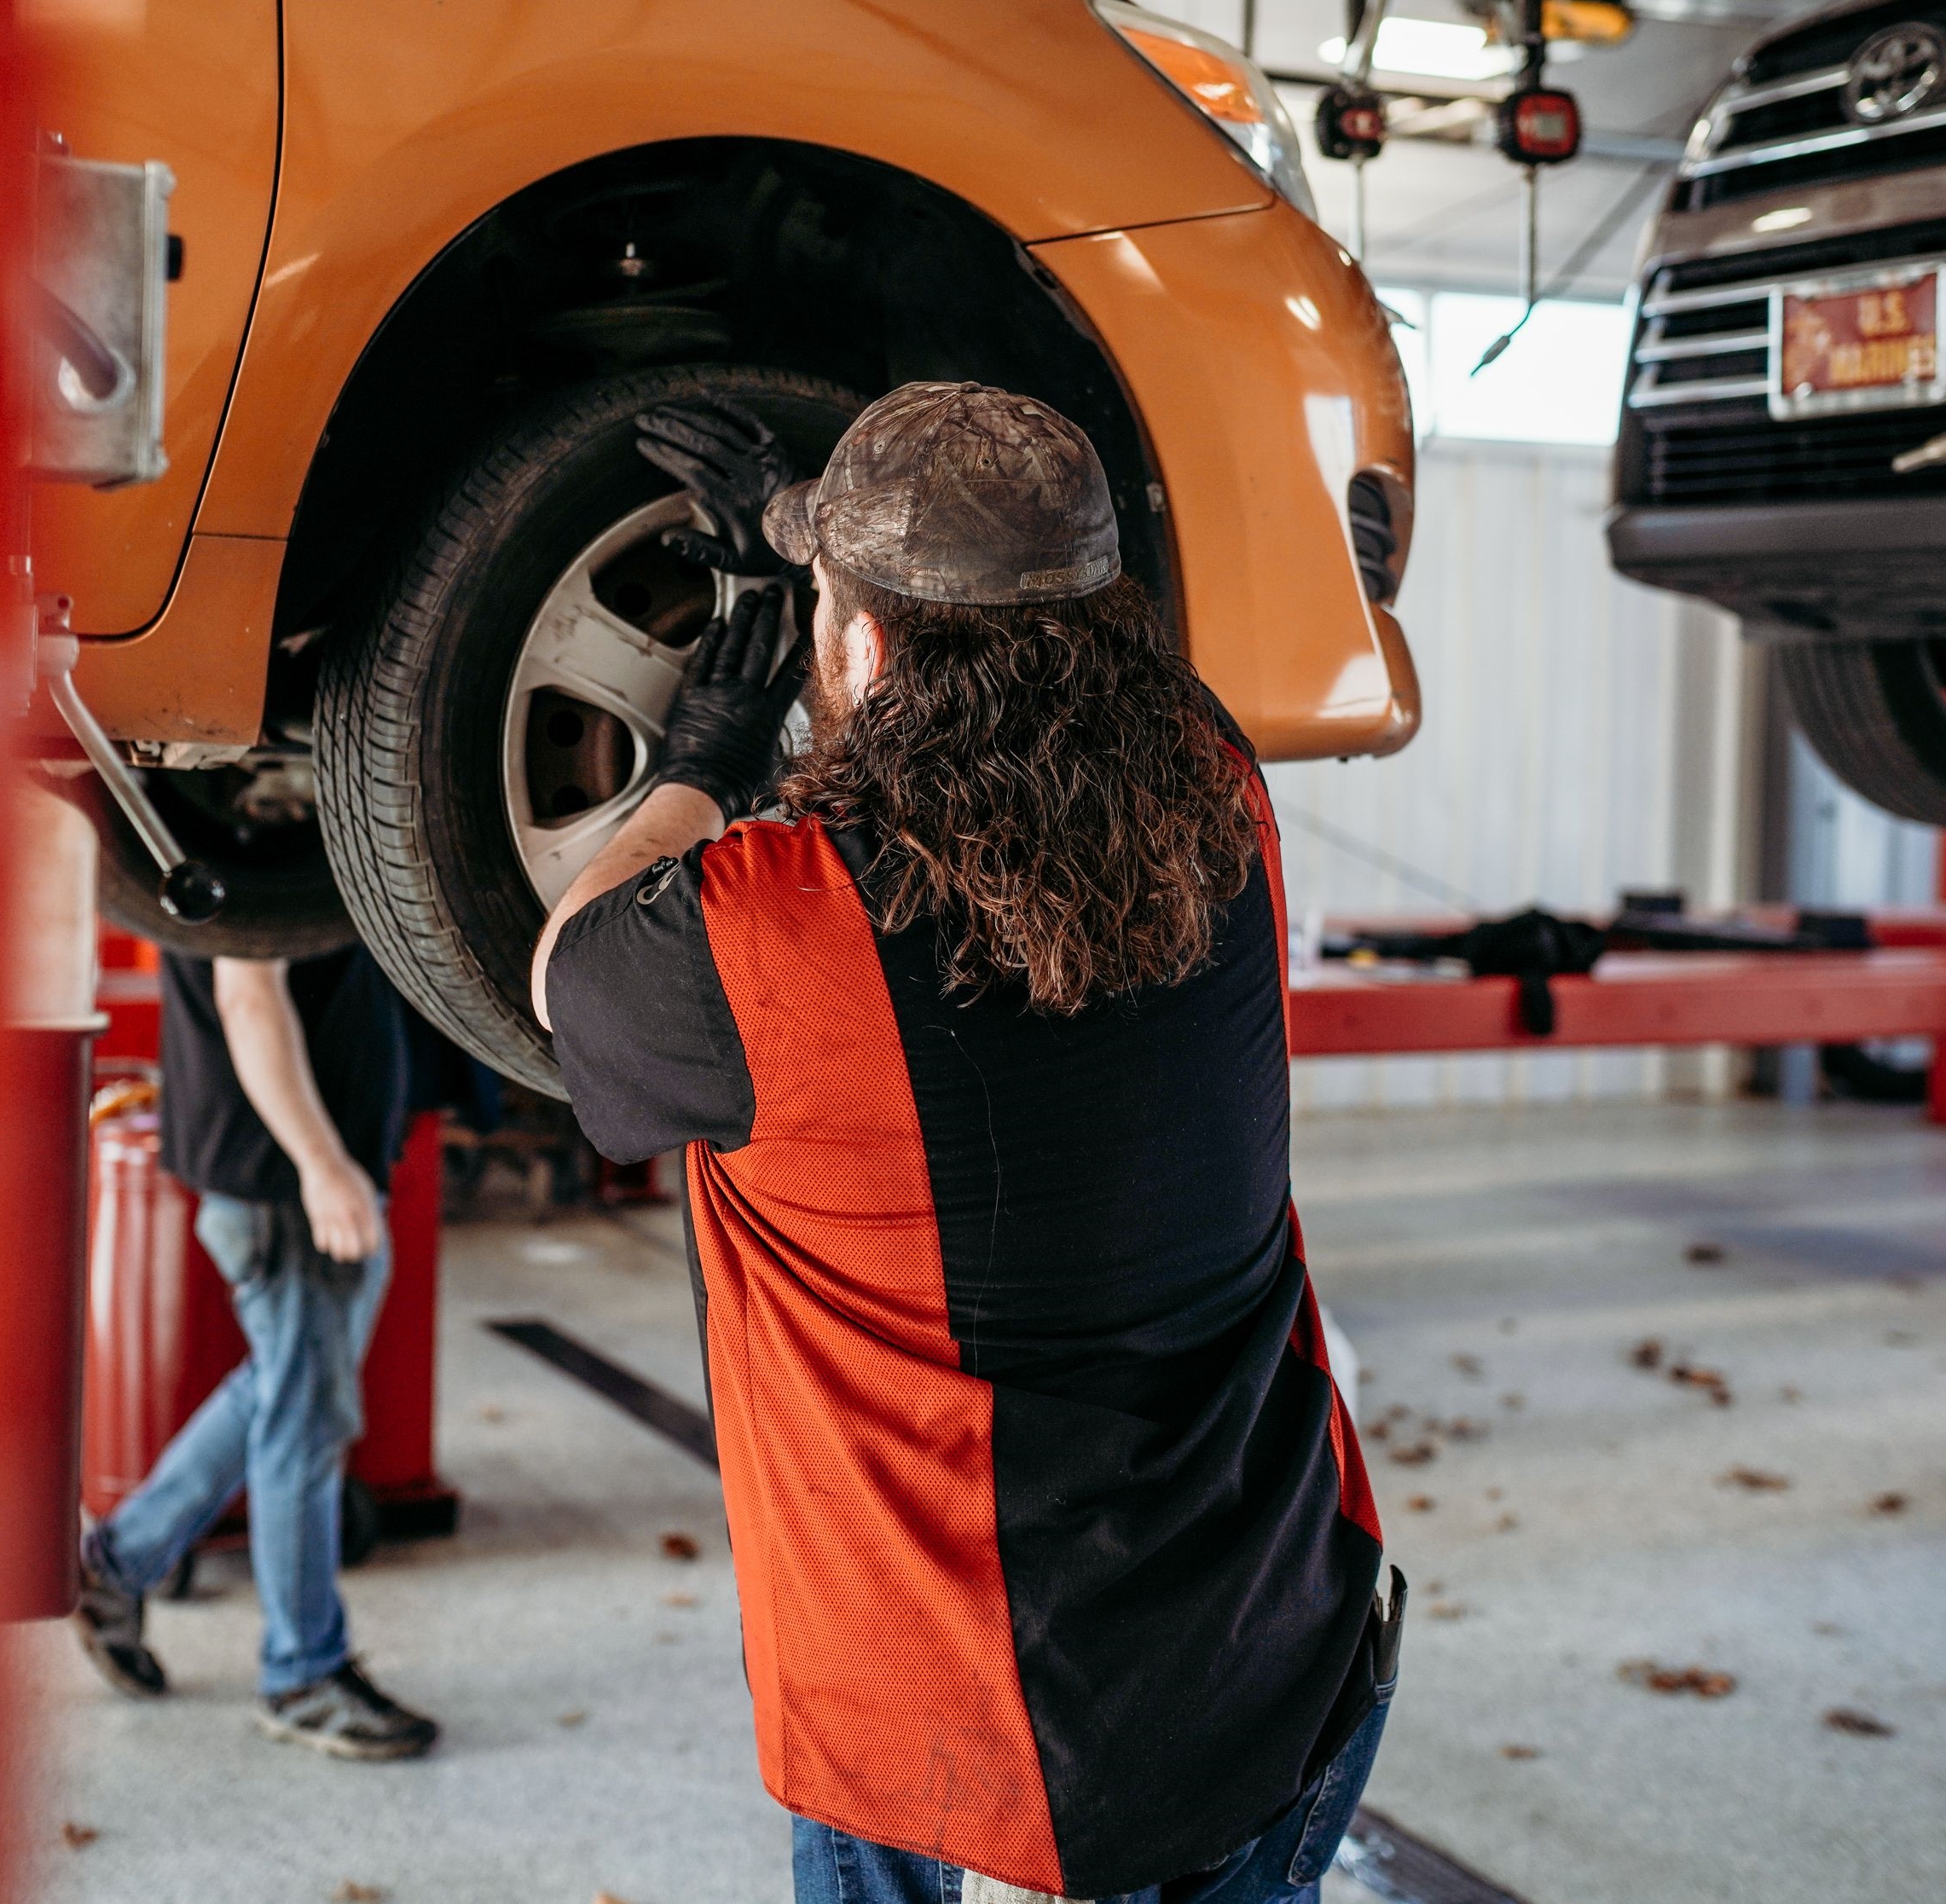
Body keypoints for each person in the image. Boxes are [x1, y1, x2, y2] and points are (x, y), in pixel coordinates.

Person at [536, 386, 1399, 1904]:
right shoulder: (1222, 801)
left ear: (861, 652)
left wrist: (711, 744)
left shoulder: (772, 932)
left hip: (999, 1781)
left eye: (828, 611)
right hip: (1282, 1660)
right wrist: (834, 527)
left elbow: (569, 955)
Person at [72, 946, 440, 1762]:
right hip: (288, 1181)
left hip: (297, 1170)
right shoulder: (263, 832)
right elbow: (246, 995)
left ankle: (118, 1563)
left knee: (279, 1390)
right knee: (301, 1426)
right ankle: (303, 1673)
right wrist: (322, 1165)